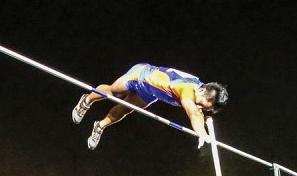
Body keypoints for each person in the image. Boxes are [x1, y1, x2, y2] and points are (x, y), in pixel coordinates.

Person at [72, 63, 228, 149]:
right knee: (114, 92)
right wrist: (202, 133)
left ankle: (100, 125)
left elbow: (197, 112)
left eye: (205, 108)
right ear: (201, 91)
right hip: (140, 76)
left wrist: (203, 127)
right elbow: (193, 113)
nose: (200, 107)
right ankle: (87, 101)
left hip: (150, 94)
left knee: (125, 109)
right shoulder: (187, 89)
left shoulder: (200, 91)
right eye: (201, 104)